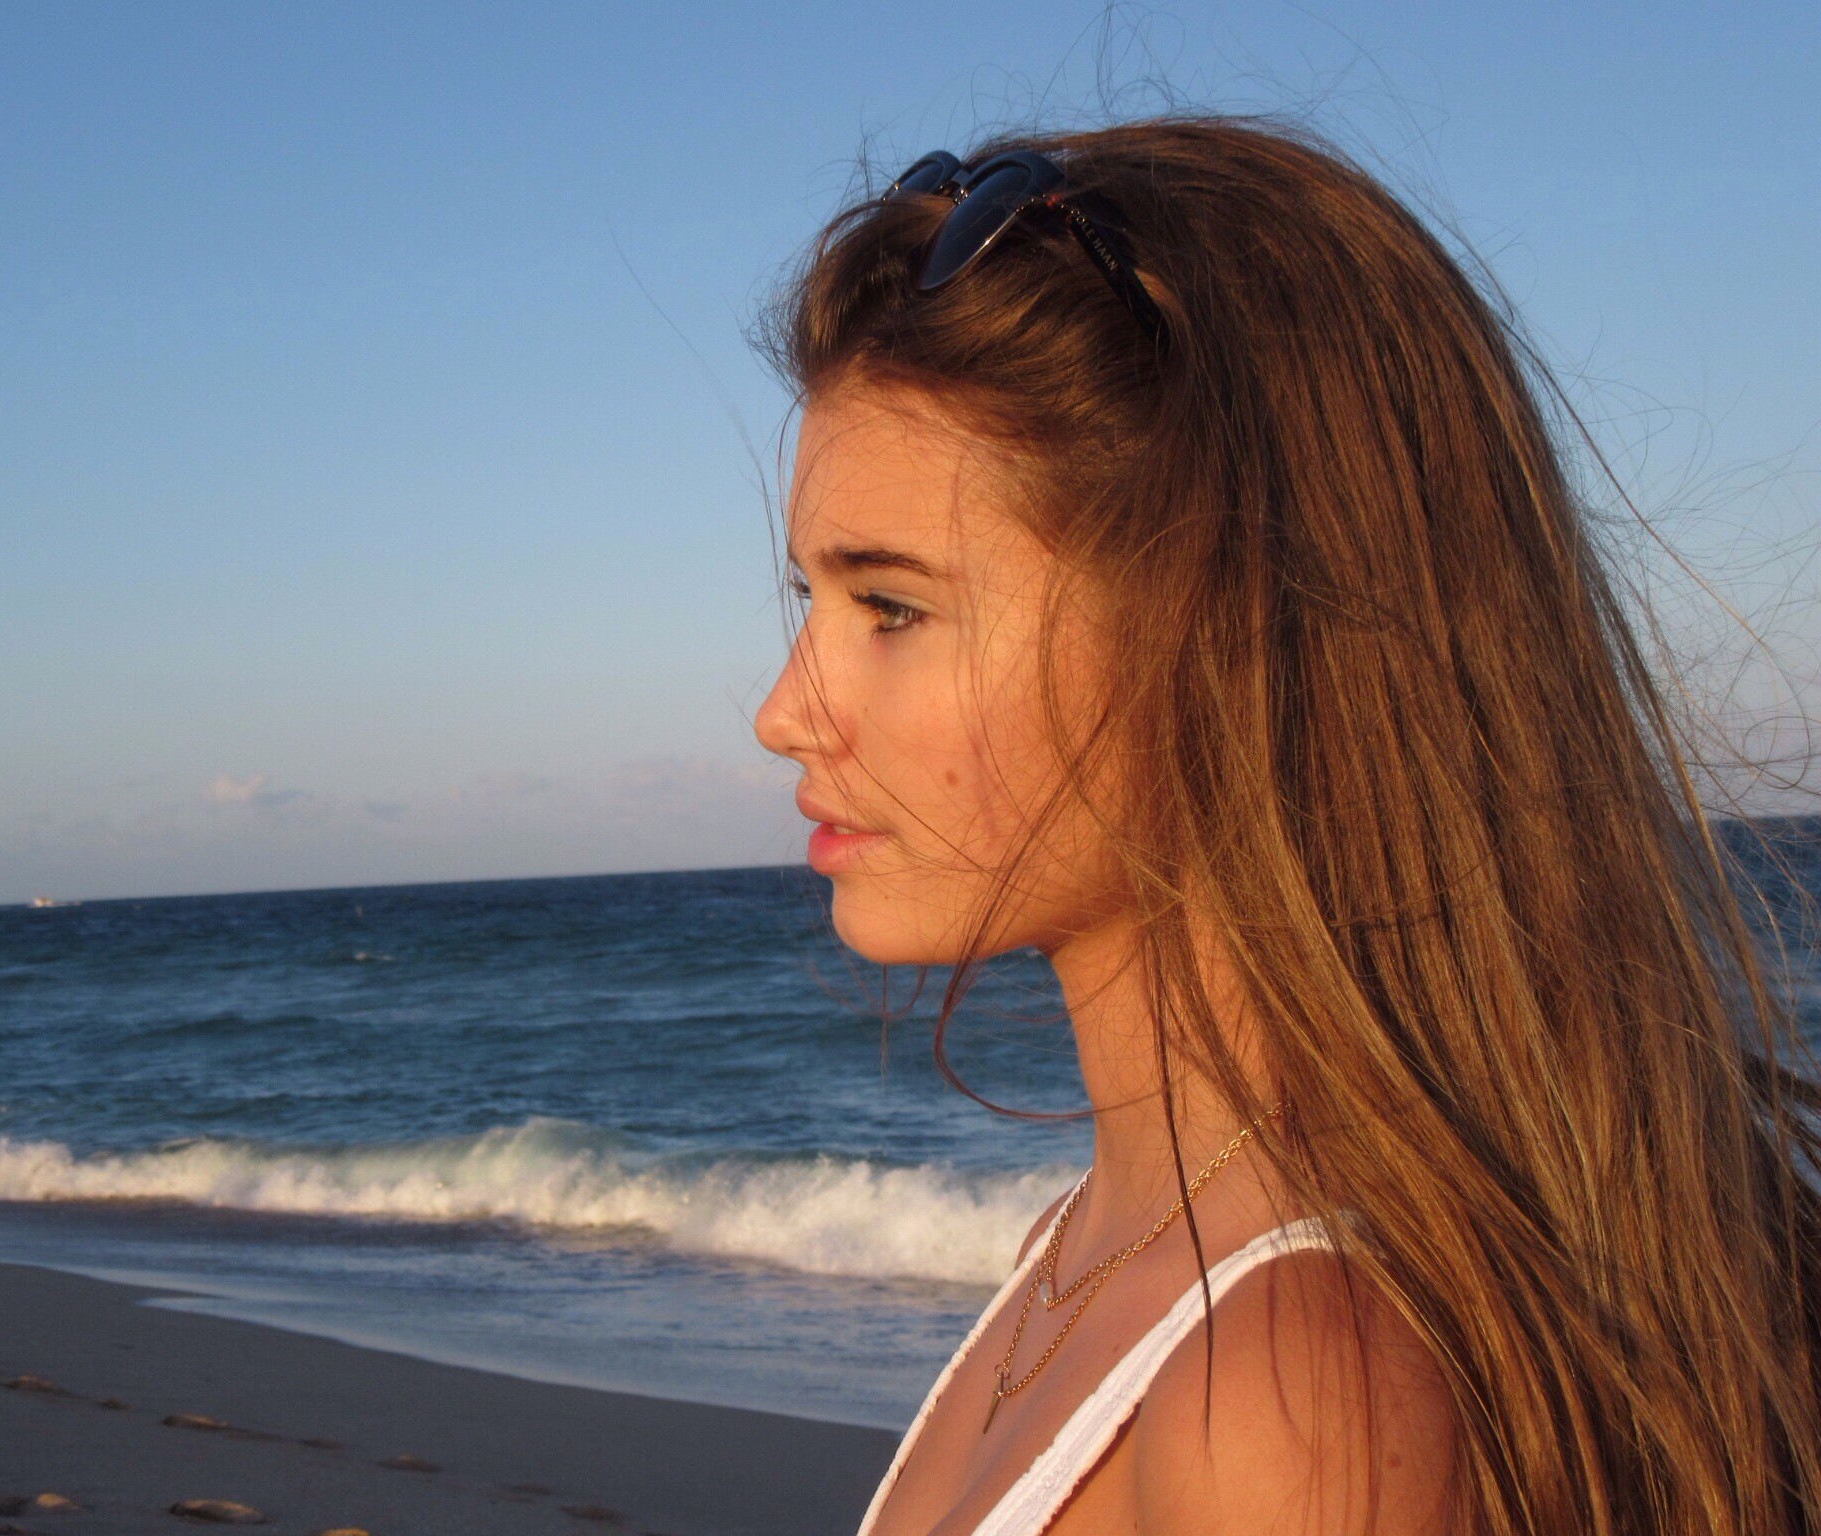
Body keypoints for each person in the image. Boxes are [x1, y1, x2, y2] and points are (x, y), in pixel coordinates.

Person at [750, 118, 1821, 1536]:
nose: (784, 711)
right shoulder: (1086, 1254)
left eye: (891, 607)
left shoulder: (1294, 1397)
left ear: (1226, 627)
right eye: (811, 600)